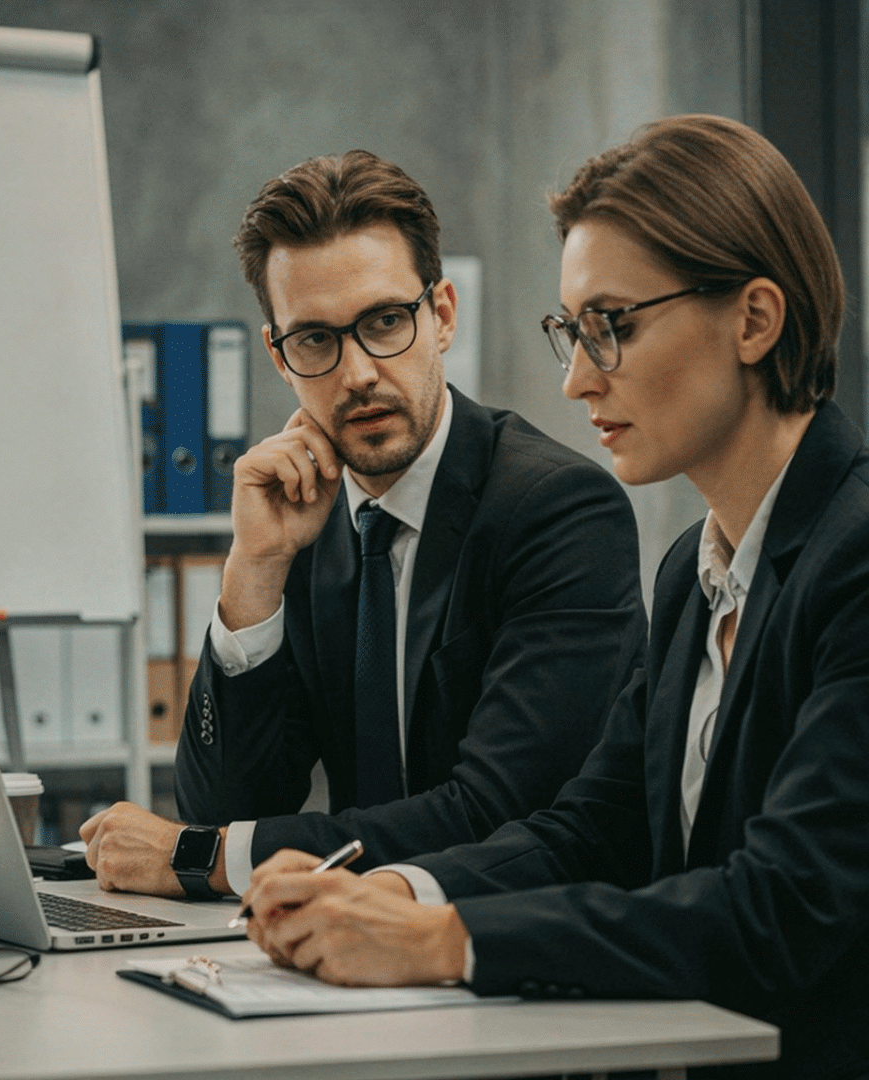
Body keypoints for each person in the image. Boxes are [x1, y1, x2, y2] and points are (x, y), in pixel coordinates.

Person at [241, 115, 868, 1080]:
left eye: (611, 326)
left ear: (753, 319)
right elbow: (593, 828)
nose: (576, 378)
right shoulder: (696, 574)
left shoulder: (856, 558)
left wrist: (446, 942)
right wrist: (395, 895)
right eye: (571, 331)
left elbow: (785, 908)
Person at [80, 151, 645, 901]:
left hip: (514, 956)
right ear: (279, 357)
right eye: (315, 339)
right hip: (356, 959)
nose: (356, 374)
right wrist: (254, 571)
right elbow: (225, 811)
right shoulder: (310, 521)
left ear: (441, 315)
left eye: (385, 322)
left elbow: (499, 815)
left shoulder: (558, 510)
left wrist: (204, 858)